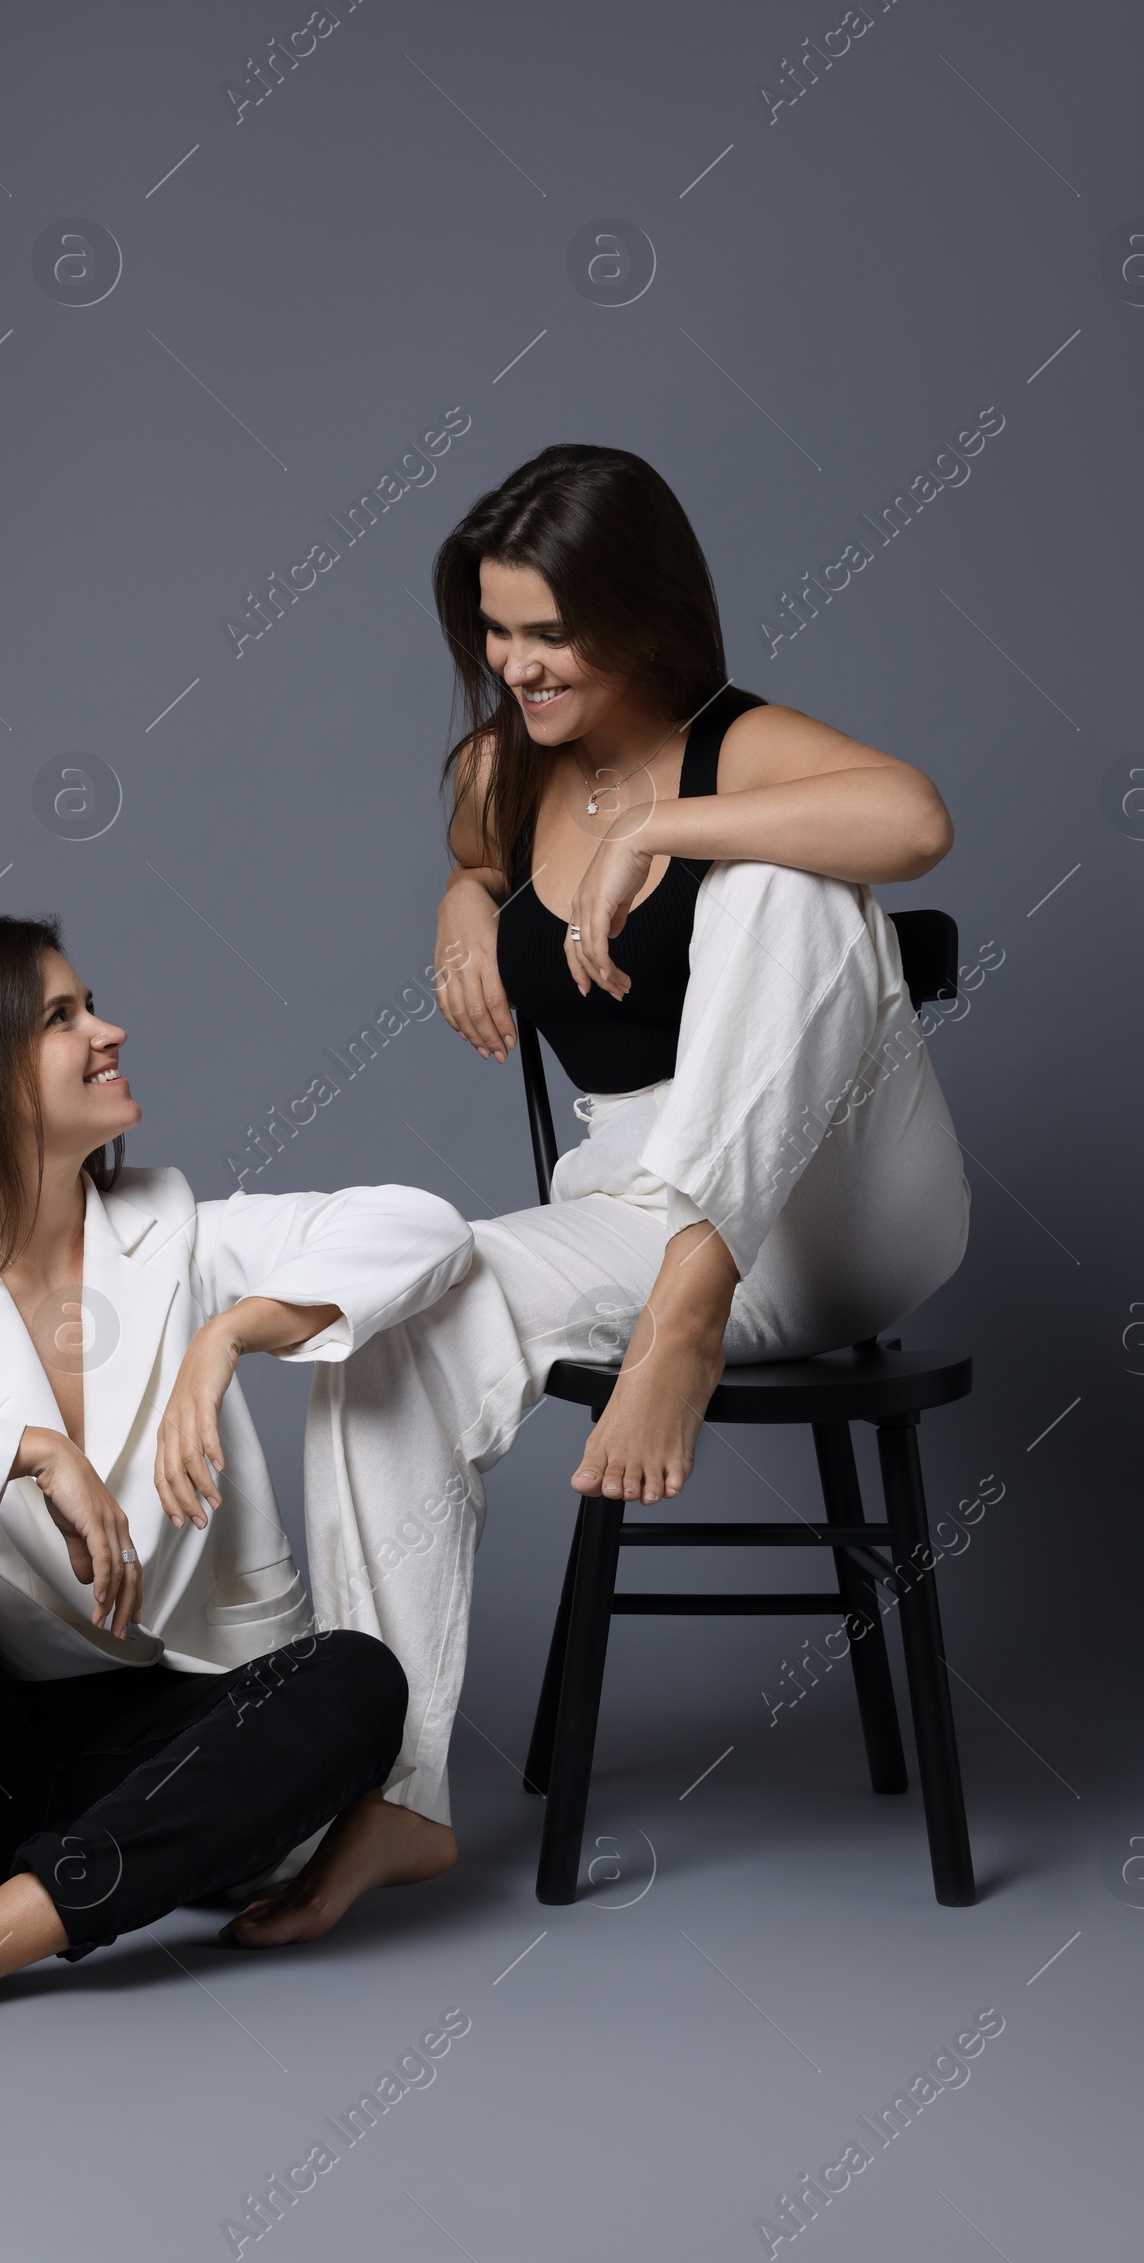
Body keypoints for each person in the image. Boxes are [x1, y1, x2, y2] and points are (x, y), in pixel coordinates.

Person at [229, 442, 973, 1941]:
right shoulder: (499, 772)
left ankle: (689, 1311)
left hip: (840, 1199)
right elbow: (470, 863)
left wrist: (660, 825)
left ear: (638, 616)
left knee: (791, 879)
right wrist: (462, 910)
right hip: (632, 1182)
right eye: (496, 632)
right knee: (396, 1325)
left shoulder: (734, 741)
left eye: (548, 633)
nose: (516, 665)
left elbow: (912, 822)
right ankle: (393, 1793)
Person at [0, 914, 473, 2130]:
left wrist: (226, 1338)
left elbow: (426, 1225)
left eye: (91, 1004)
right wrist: (23, 1451)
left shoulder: (173, 1232)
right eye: (61, 1017)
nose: (107, 1029)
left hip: (153, 1750)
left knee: (355, 1683)